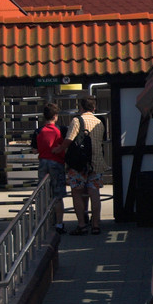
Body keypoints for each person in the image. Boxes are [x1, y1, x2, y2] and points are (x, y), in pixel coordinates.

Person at [55, 97, 104, 235]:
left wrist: (59, 149)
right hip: (96, 162)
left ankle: (82, 225)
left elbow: (69, 140)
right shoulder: (100, 122)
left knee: (76, 192)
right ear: (93, 108)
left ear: (81, 108)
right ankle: (96, 225)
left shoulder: (77, 121)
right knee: (94, 193)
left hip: (78, 164)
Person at [35, 103, 67, 234]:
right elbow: (66, 143)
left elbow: (34, 149)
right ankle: (59, 224)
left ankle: (44, 224)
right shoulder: (61, 129)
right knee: (58, 196)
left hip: (43, 163)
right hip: (57, 163)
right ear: (55, 116)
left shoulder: (38, 131)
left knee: (43, 195)